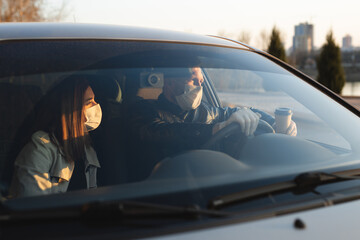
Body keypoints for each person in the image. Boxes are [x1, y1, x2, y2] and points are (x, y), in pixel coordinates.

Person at [127, 67, 297, 181]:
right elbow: (157, 131)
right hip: (161, 191)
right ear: (170, 83)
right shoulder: (143, 109)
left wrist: (274, 123)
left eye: (201, 82)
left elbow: (241, 112)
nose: (199, 87)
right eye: (193, 81)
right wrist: (216, 129)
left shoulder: (207, 111)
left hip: (211, 187)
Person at [8, 75, 102, 198]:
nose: (96, 105)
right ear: (73, 109)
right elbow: (32, 207)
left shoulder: (86, 146)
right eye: (89, 102)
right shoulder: (40, 148)